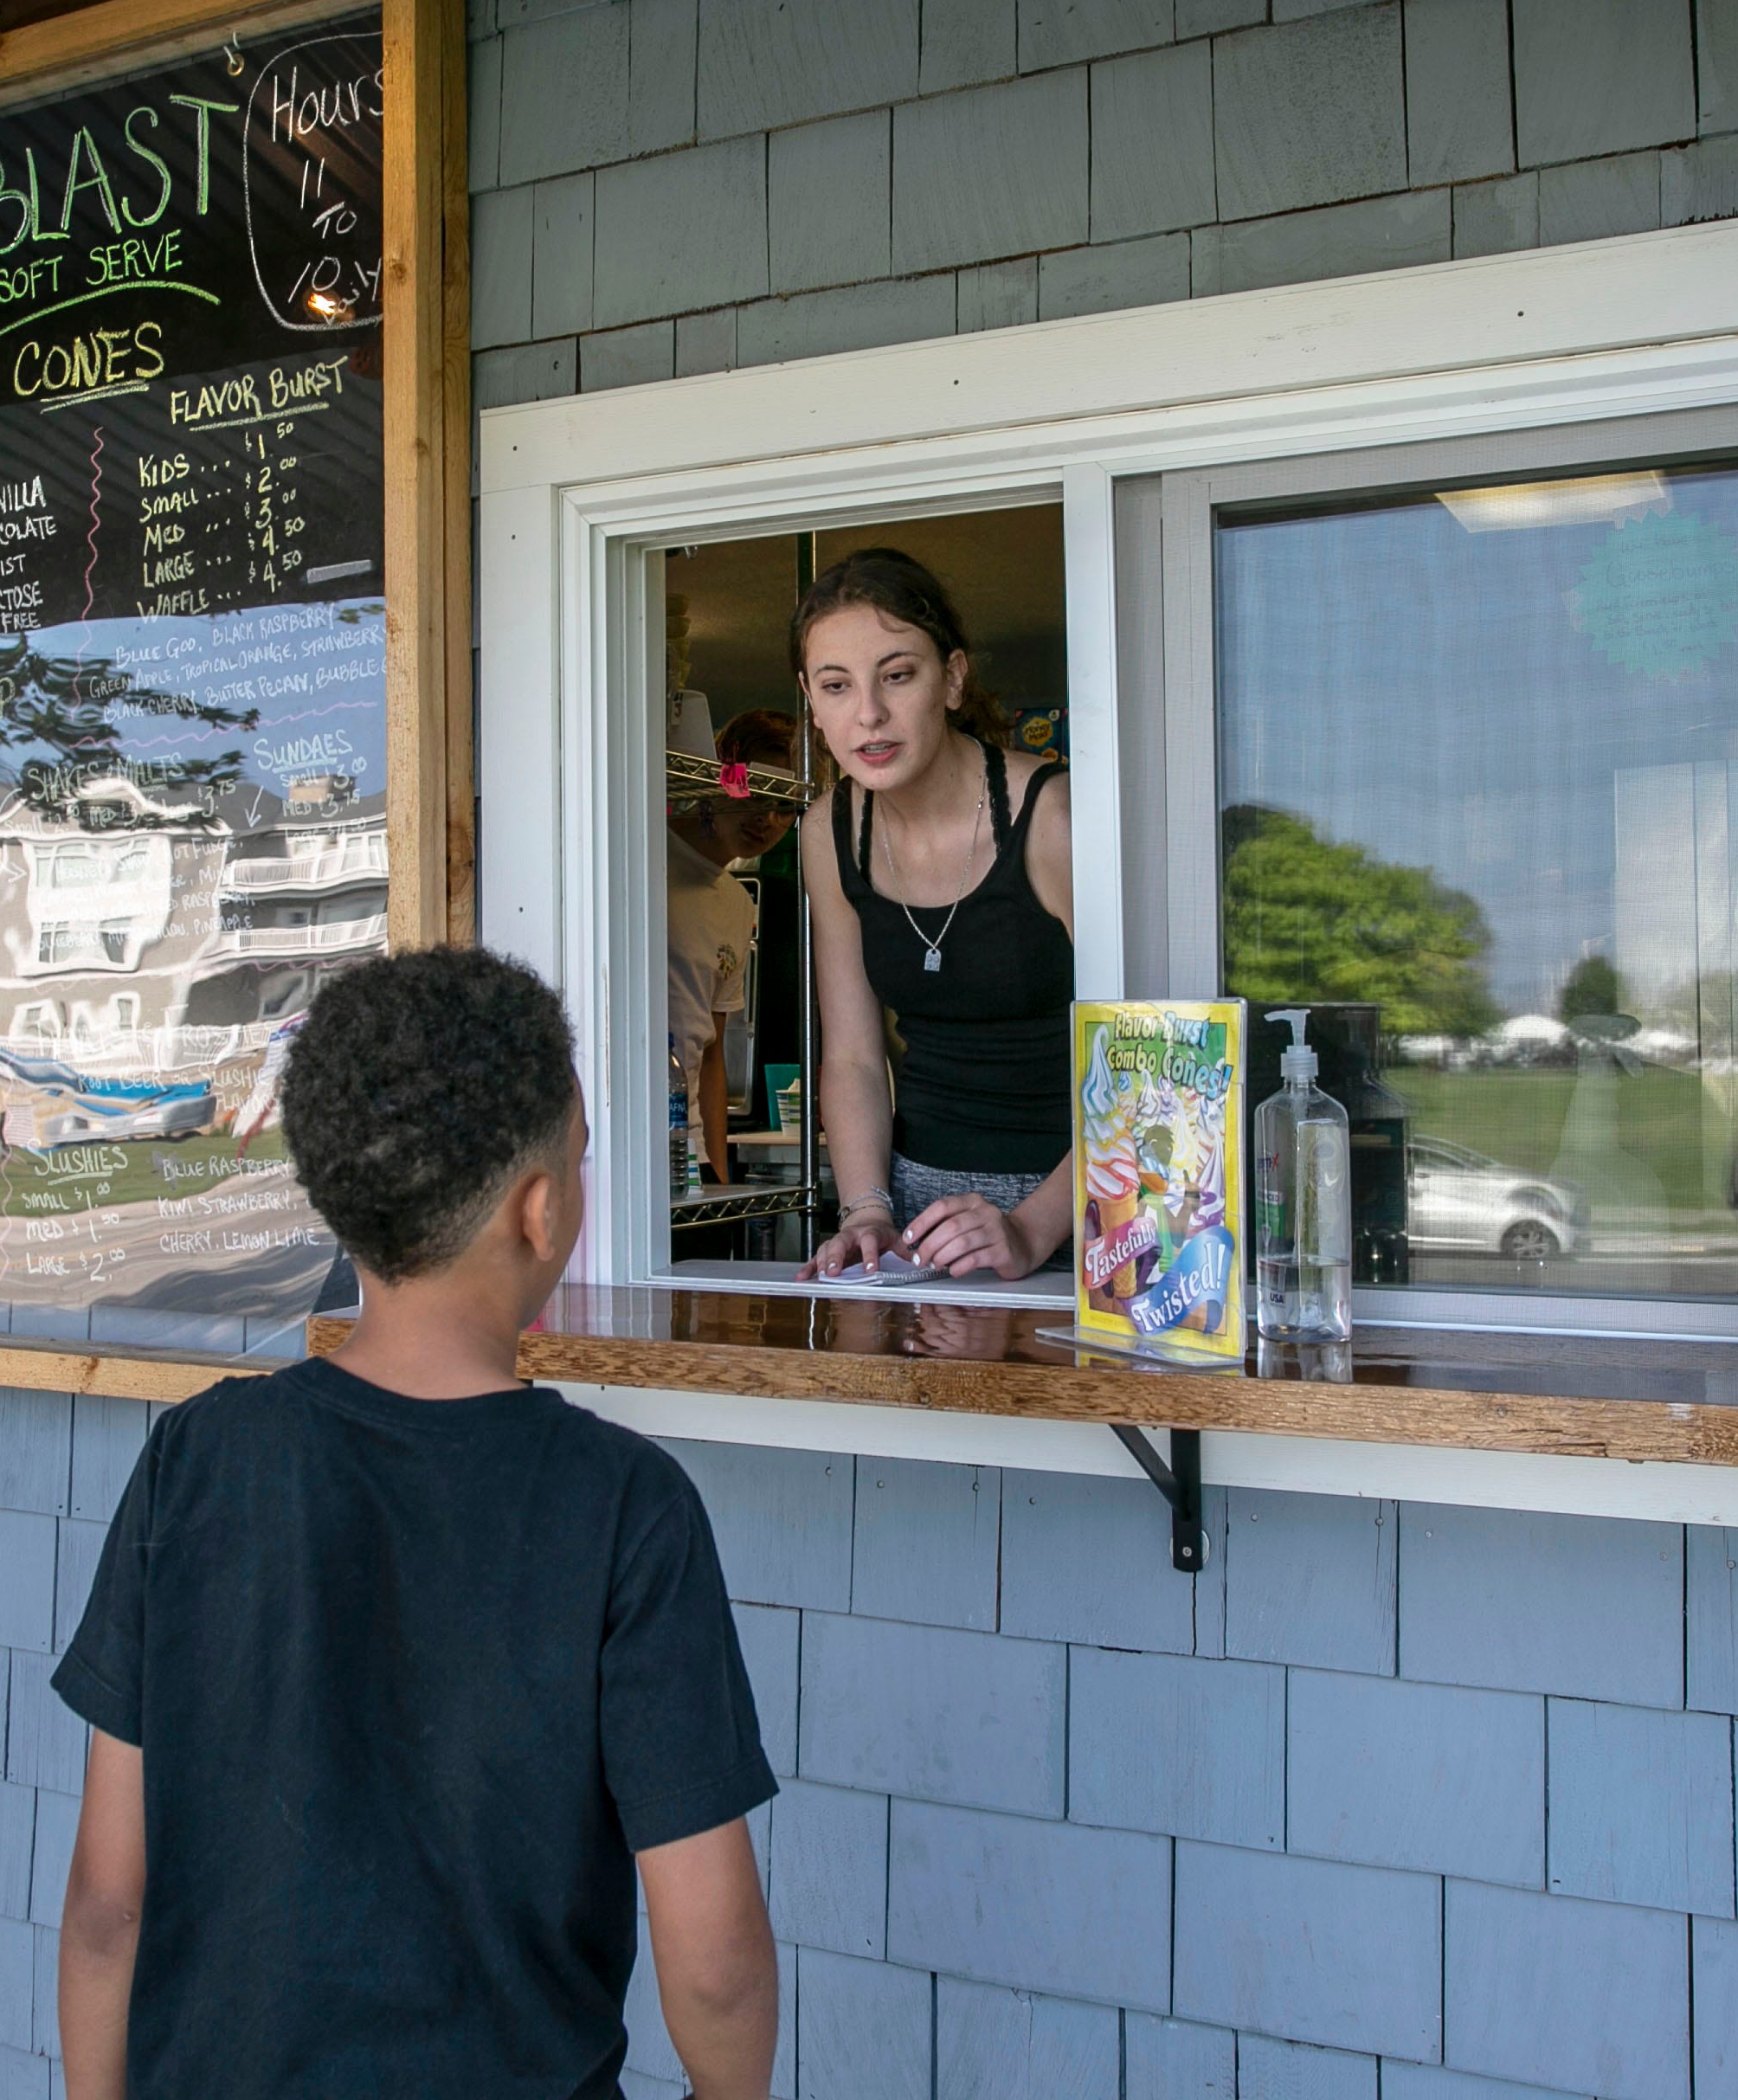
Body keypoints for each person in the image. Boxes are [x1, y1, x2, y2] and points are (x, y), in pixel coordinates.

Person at [54, 947, 780, 2100]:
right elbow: (718, 1968)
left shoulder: (197, 1460)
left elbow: (106, 1903)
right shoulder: (627, 1510)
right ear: (541, 1212)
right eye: (579, 1160)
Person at [793, 549, 1076, 1282]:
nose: (869, 714)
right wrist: (865, 1212)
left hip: (1083, 1205)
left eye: (897, 675)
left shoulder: (1052, 817)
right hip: (917, 1216)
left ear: (952, 678)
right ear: (811, 702)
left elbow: (1152, 1069)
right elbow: (854, 1055)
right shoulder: (829, 832)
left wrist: (1029, 1231)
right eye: (836, 686)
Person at [667, 706, 801, 1185]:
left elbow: (714, 1051)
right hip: (619, 1140)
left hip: (690, 1149)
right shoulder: (642, 859)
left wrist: (718, 1174)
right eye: (755, 791)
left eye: (783, 805)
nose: (766, 817)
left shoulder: (738, 903)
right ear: (721, 776)